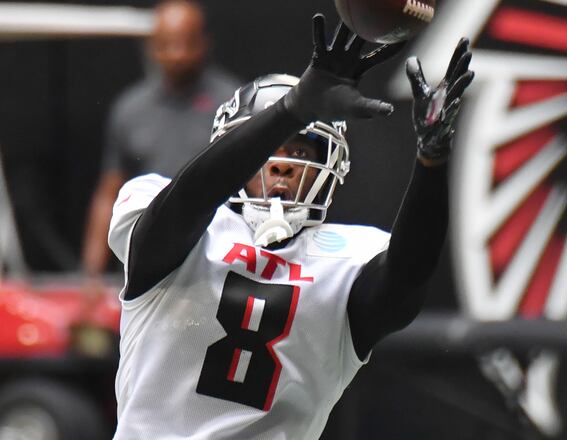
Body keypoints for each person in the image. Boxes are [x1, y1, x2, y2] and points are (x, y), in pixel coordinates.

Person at [109, 13, 473, 439]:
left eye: (301, 147)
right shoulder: (172, 212)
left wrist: (432, 161)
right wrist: (292, 110)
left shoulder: (348, 258)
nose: (282, 162)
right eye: (271, 147)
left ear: (332, 165)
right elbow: (185, 205)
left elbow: (408, 276)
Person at [82, 0, 238, 279]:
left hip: (215, 258)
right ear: (152, 47)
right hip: (144, 262)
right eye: (167, 44)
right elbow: (109, 191)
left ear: (203, 43)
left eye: (185, 43)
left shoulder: (233, 103)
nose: (177, 54)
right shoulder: (130, 108)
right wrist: (91, 275)